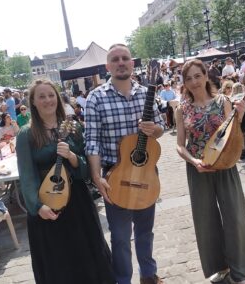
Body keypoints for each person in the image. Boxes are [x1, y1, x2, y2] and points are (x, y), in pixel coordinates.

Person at [16, 79, 115, 284]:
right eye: (41, 96)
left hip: (77, 202)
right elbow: (26, 175)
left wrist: (72, 157)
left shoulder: (73, 127)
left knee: (87, 253)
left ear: (58, 98)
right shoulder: (26, 134)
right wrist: (37, 207)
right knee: (59, 261)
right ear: (33, 102)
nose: (47, 100)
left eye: (51, 95)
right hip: (48, 204)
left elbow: (86, 171)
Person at [85, 43, 165, 284]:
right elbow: (92, 142)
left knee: (145, 232)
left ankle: (149, 276)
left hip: (146, 174)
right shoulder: (95, 98)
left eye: (125, 58)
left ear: (132, 63)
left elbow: (161, 128)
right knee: (120, 237)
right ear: (108, 66)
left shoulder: (145, 93)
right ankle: (123, 280)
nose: (121, 62)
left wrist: (154, 129)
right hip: (115, 177)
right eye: (115, 59)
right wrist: (97, 177)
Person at [175, 59, 245, 284]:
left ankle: (242, 269)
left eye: (197, 76)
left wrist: (240, 115)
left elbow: (233, 134)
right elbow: (180, 145)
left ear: (205, 76)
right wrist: (193, 161)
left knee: (235, 215)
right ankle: (218, 268)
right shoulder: (182, 109)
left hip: (225, 165)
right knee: (205, 219)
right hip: (198, 169)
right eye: (188, 78)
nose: (194, 82)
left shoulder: (223, 101)